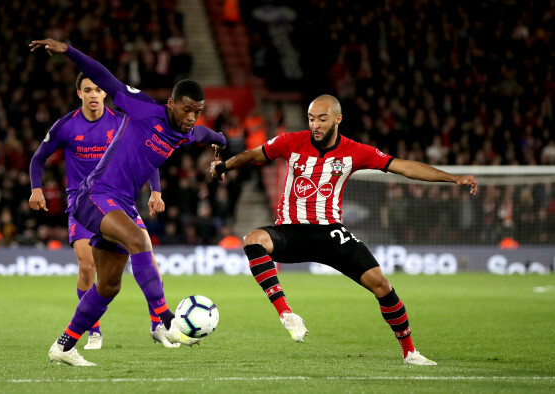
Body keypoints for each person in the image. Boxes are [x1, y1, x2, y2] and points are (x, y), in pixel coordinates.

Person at [210, 94, 478, 365]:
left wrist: (452, 178)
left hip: (330, 233)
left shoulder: (355, 151)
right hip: (292, 231)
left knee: (381, 284)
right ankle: (286, 313)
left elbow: (404, 167)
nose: (315, 125)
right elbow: (255, 154)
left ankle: (410, 352)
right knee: (253, 239)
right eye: (311, 119)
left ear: (338, 119)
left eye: (322, 119)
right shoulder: (290, 141)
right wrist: (224, 165)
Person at [29, 38, 227, 366]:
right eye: (186, 109)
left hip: (121, 204)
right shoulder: (144, 108)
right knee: (139, 239)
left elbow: (206, 135)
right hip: (93, 195)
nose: (191, 117)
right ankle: (165, 322)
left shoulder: (185, 131)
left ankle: (63, 346)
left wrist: (221, 144)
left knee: (108, 285)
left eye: (197, 112)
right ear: (171, 103)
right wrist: (69, 51)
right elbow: (106, 78)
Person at [28, 72, 174, 350]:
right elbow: (38, 157)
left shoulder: (121, 122)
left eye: (98, 89)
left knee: (148, 258)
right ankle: (93, 330)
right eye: (87, 90)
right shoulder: (66, 125)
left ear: (105, 93)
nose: (94, 94)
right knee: (87, 265)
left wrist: (156, 191)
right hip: (83, 203)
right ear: (79, 94)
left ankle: (158, 325)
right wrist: (36, 188)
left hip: (120, 201)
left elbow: (150, 155)